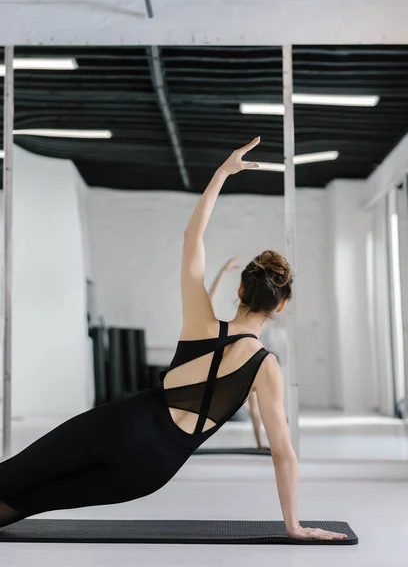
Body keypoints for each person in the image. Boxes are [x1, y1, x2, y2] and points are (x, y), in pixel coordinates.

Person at [0, 137, 346, 542]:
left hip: (126, 425)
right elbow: (283, 452)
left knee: (15, 476)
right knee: (31, 500)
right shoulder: (266, 367)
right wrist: (294, 526)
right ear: (281, 306)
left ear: (238, 290)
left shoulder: (201, 322)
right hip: (154, 469)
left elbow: (192, 239)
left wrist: (222, 173)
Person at [208, 257, 268, 449]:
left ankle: (260, 441)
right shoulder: (227, 333)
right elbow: (208, 302)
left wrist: (260, 444)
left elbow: (255, 409)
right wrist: (222, 272)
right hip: (222, 374)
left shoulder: (252, 342)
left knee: (255, 404)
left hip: (241, 371)